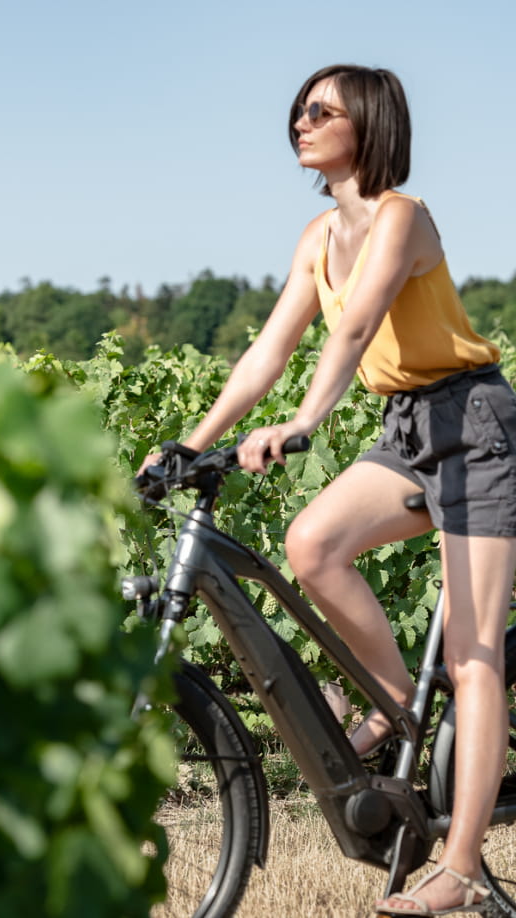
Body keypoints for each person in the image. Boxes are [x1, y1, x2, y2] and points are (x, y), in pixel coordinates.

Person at [139, 64, 516, 916]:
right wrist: (184, 446)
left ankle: (458, 870)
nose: (300, 122)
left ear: (370, 125)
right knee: (312, 545)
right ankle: (390, 703)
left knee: (472, 651)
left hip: (475, 423)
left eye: (321, 111)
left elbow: (354, 325)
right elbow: (267, 351)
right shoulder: (319, 235)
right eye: (298, 111)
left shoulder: (402, 218)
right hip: (407, 427)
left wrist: (306, 420)